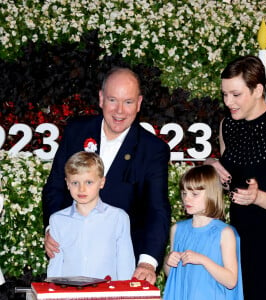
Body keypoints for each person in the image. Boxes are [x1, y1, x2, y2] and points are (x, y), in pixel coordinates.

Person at [42, 67, 171, 284]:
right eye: (113, 100)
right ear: (101, 99)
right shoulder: (76, 131)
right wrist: (52, 230)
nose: (120, 111)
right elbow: (55, 186)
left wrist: (147, 262)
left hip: (121, 269)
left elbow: (156, 209)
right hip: (72, 265)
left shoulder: (153, 149)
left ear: (139, 103)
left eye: (128, 102)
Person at [205, 55, 266, 299]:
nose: (228, 102)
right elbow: (229, 184)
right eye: (225, 94)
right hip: (237, 247)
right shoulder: (228, 126)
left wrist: (258, 198)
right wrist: (211, 165)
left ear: (258, 90)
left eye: (235, 95)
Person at [47, 151, 135, 280]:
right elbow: (55, 264)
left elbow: (125, 263)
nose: (81, 189)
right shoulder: (57, 220)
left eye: (89, 182)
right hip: (70, 294)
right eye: (75, 183)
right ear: (67, 183)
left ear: (102, 182)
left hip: (107, 294)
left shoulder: (118, 218)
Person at [163, 165, 243, 300]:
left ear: (212, 194)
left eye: (194, 194)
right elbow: (172, 275)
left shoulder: (225, 233)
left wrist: (202, 260)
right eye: (184, 193)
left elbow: (231, 281)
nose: (186, 199)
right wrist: (168, 261)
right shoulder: (177, 229)